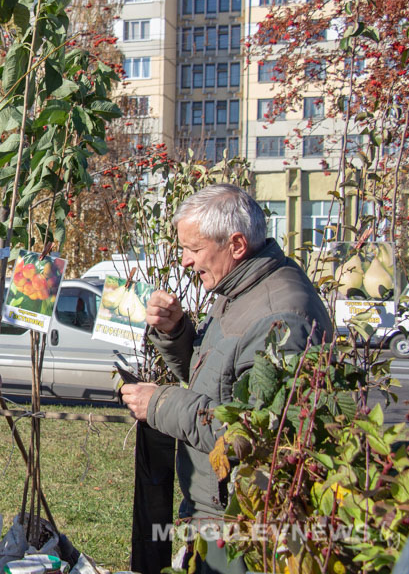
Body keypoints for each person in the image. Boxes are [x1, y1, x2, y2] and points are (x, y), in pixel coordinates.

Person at [120, 184, 332, 574]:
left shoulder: (279, 318)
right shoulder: (239, 290)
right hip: (215, 511)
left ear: (235, 244)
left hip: (243, 524)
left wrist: (162, 403)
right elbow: (217, 381)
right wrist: (176, 331)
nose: (184, 262)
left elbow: (258, 433)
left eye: (194, 249)